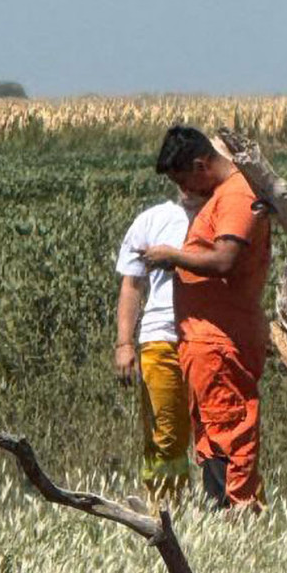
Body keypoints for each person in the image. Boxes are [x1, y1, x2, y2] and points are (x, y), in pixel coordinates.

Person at [140, 125, 270, 511]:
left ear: (201, 165)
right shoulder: (224, 195)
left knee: (229, 434)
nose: (185, 191)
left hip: (220, 341)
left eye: (185, 180)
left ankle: (238, 514)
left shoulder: (236, 196)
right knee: (213, 436)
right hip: (205, 341)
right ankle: (222, 511)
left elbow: (225, 259)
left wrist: (172, 257)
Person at [113, 193, 196, 497]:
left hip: (206, 337)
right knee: (165, 434)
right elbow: (132, 285)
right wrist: (124, 343)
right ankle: (164, 509)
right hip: (160, 338)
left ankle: (223, 512)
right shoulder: (152, 219)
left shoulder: (222, 213)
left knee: (217, 430)